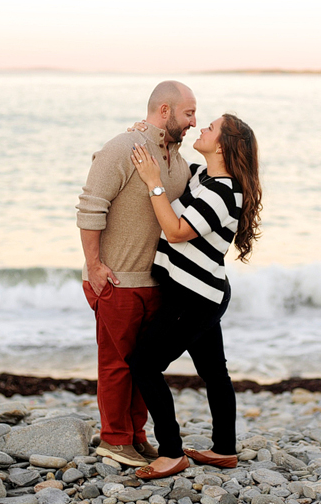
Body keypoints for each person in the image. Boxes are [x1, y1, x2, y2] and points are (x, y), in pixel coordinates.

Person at [126, 113, 262, 479]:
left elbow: (175, 231)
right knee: (213, 372)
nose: (202, 127)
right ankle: (224, 450)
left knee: (143, 363)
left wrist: (153, 183)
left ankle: (171, 452)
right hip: (202, 290)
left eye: (211, 127)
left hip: (195, 297)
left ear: (222, 145)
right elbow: (173, 161)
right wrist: (146, 133)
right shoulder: (204, 176)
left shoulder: (223, 192)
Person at [76, 81, 197, 467]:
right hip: (116, 279)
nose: (195, 121)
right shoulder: (122, 148)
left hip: (154, 280)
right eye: (189, 113)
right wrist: (94, 266)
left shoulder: (175, 159)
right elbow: (90, 209)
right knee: (116, 364)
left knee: (144, 365)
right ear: (165, 111)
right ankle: (113, 440)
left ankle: (135, 436)